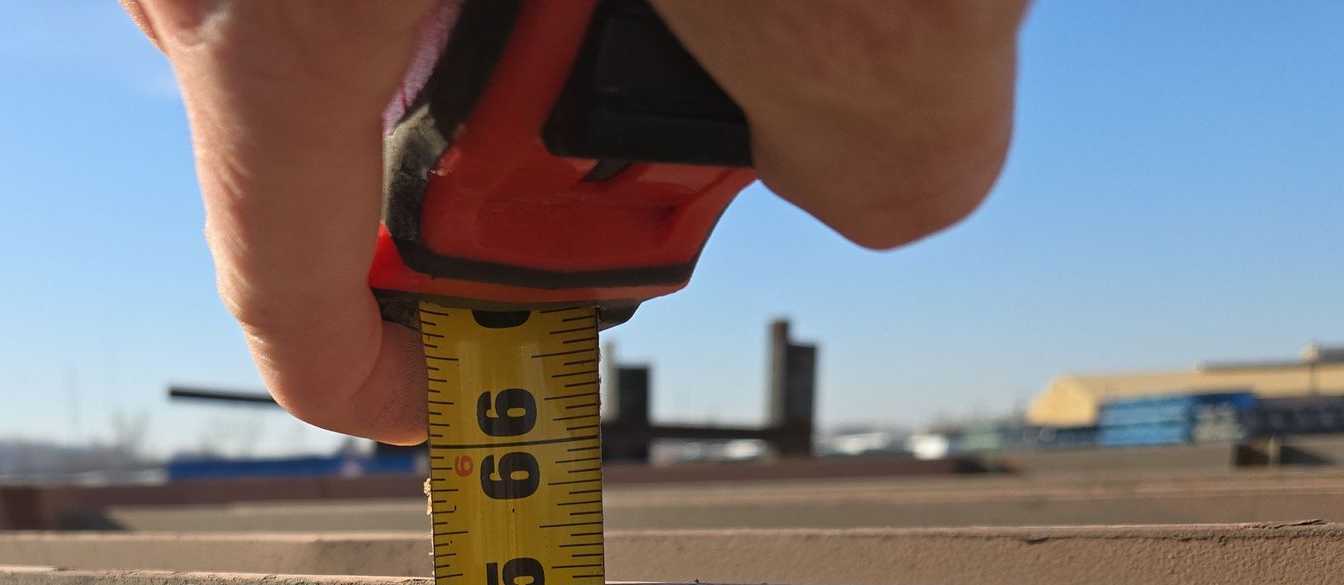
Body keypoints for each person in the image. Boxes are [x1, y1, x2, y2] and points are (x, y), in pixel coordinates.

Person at [120, 0, 1029, 445]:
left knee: (909, 185)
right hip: (507, 178)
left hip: (482, 185)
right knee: (908, 189)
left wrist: (290, 312)